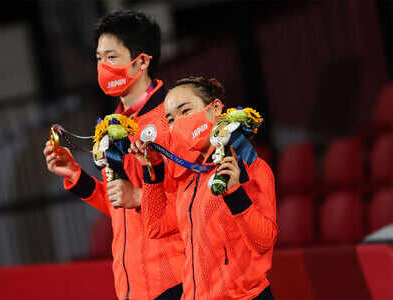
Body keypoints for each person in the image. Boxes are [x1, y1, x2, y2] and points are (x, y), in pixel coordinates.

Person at [43, 10, 184, 300]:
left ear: (142, 61)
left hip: (178, 281)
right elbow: (122, 206)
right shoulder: (114, 124)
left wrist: (139, 197)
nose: (103, 67)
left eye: (112, 57)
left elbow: (197, 205)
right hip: (132, 286)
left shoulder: (174, 121)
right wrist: (76, 176)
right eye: (99, 58)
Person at [130, 77, 277, 300]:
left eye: (185, 110)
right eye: (170, 118)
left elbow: (263, 242)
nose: (178, 123)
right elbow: (155, 226)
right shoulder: (191, 178)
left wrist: (234, 192)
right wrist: (152, 167)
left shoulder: (250, 167)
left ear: (216, 108)